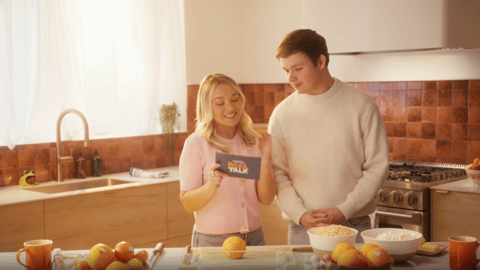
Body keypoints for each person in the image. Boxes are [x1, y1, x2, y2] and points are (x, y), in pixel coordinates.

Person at [268, 29, 389, 244]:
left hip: (354, 223)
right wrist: (300, 214)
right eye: (285, 70)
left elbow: (377, 167)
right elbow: (278, 173)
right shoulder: (281, 114)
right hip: (302, 227)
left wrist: (344, 210)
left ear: (321, 62)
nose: (291, 78)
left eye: (297, 68)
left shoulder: (362, 105)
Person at [179, 73, 277, 247]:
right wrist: (211, 186)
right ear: (207, 107)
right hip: (213, 242)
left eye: (235, 99)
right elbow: (188, 203)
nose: (230, 108)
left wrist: (265, 161)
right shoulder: (197, 143)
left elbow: (267, 198)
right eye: (220, 103)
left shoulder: (253, 141)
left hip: (254, 238)